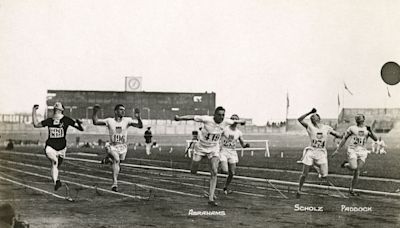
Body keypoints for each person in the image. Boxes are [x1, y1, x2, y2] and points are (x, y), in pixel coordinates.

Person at [174, 107, 245, 206]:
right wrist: (179, 118)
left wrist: (243, 121)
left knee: (214, 172)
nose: (221, 117)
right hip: (201, 148)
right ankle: (196, 166)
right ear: (214, 115)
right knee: (193, 171)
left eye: (223, 115)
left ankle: (211, 198)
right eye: (219, 115)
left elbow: (236, 121)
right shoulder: (207, 119)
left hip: (213, 149)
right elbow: (192, 117)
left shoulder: (226, 121)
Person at [32, 102, 84, 191]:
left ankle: (56, 181)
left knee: (56, 166)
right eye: (55, 106)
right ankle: (56, 182)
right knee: (54, 162)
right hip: (50, 147)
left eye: (58, 106)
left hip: (62, 148)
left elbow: (81, 129)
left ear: (62, 110)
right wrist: (34, 111)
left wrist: (79, 123)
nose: (56, 106)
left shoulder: (67, 120)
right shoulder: (49, 120)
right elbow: (36, 124)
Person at [92, 104, 143, 192]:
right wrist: (95, 112)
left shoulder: (127, 120)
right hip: (112, 145)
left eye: (124, 110)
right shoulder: (109, 121)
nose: (123, 111)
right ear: (115, 111)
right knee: (117, 160)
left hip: (123, 146)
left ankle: (108, 159)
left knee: (119, 161)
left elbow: (140, 126)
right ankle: (115, 183)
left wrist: (138, 117)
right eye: (121, 110)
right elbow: (95, 122)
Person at [296, 108, 342, 198]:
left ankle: (316, 167)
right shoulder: (309, 126)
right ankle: (299, 189)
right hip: (311, 151)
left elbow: (338, 135)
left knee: (324, 175)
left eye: (314, 115)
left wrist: (346, 134)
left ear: (319, 118)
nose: (312, 117)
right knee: (305, 174)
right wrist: (309, 112)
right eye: (311, 117)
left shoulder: (326, 128)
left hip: (321, 152)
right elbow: (299, 119)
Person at [332, 114, 377, 196]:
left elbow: (375, 139)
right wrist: (337, 150)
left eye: (360, 117)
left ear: (364, 119)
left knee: (357, 170)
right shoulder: (352, 128)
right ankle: (346, 164)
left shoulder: (367, 129)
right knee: (353, 167)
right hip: (353, 149)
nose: (358, 118)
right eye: (357, 117)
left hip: (362, 151)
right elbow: (344, 138)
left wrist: (371, 131)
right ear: (356, 120)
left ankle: (352, 189)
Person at [219, 114, 250, 195]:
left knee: (232, 173)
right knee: (224, 170)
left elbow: (242, 144)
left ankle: (225, 187)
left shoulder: (239, 133)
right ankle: (219, 165)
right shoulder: (225, 129)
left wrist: (246, 145)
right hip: (223, 151)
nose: (234, 120)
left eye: (236, 119)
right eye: (232, 119)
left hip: (232, 153)